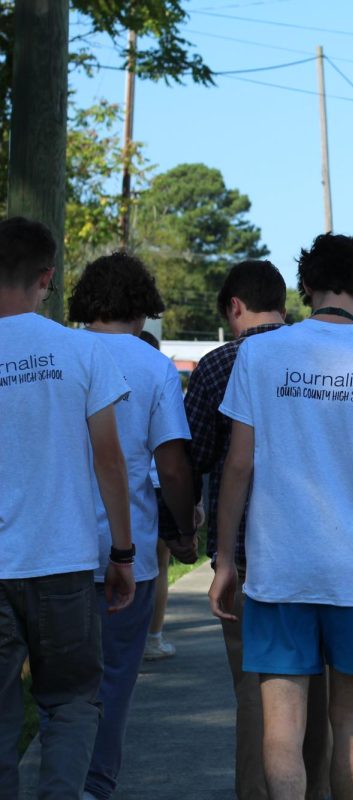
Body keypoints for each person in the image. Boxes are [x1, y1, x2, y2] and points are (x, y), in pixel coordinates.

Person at [209, 234, 353, 800]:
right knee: (352, 721)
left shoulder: (259, 355)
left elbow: (238, 466)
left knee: (282, 730)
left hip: (278, 568)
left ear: (306, 286)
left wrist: (222, 559)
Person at [188, 260, 336, 800]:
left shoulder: (218, 365)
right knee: (321, 694)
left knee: (258, 695)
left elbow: (198, 456)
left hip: (253, 552)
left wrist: (188, 530)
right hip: (325, 546)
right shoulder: (316, 355)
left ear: (234, 306)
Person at [0, 217, 136, 798]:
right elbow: (110, 460)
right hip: (62, 562)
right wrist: (124, 553)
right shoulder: (81, 350)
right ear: (47, 278)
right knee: (73, 703)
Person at [68, 252, 197, 800]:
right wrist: (186, 529)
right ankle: (95, 785)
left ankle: (59, 782)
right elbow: (170, 465)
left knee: (60, 689)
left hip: (55, 547)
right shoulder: (154, 367)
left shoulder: (60, 351)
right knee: (114, 681)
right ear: (142, 306)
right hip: (131, 551)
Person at [139, 329, 199, 663]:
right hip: (160, 483)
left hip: (125, 484)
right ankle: (153, 637)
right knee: (159, 565)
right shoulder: (160, 377)